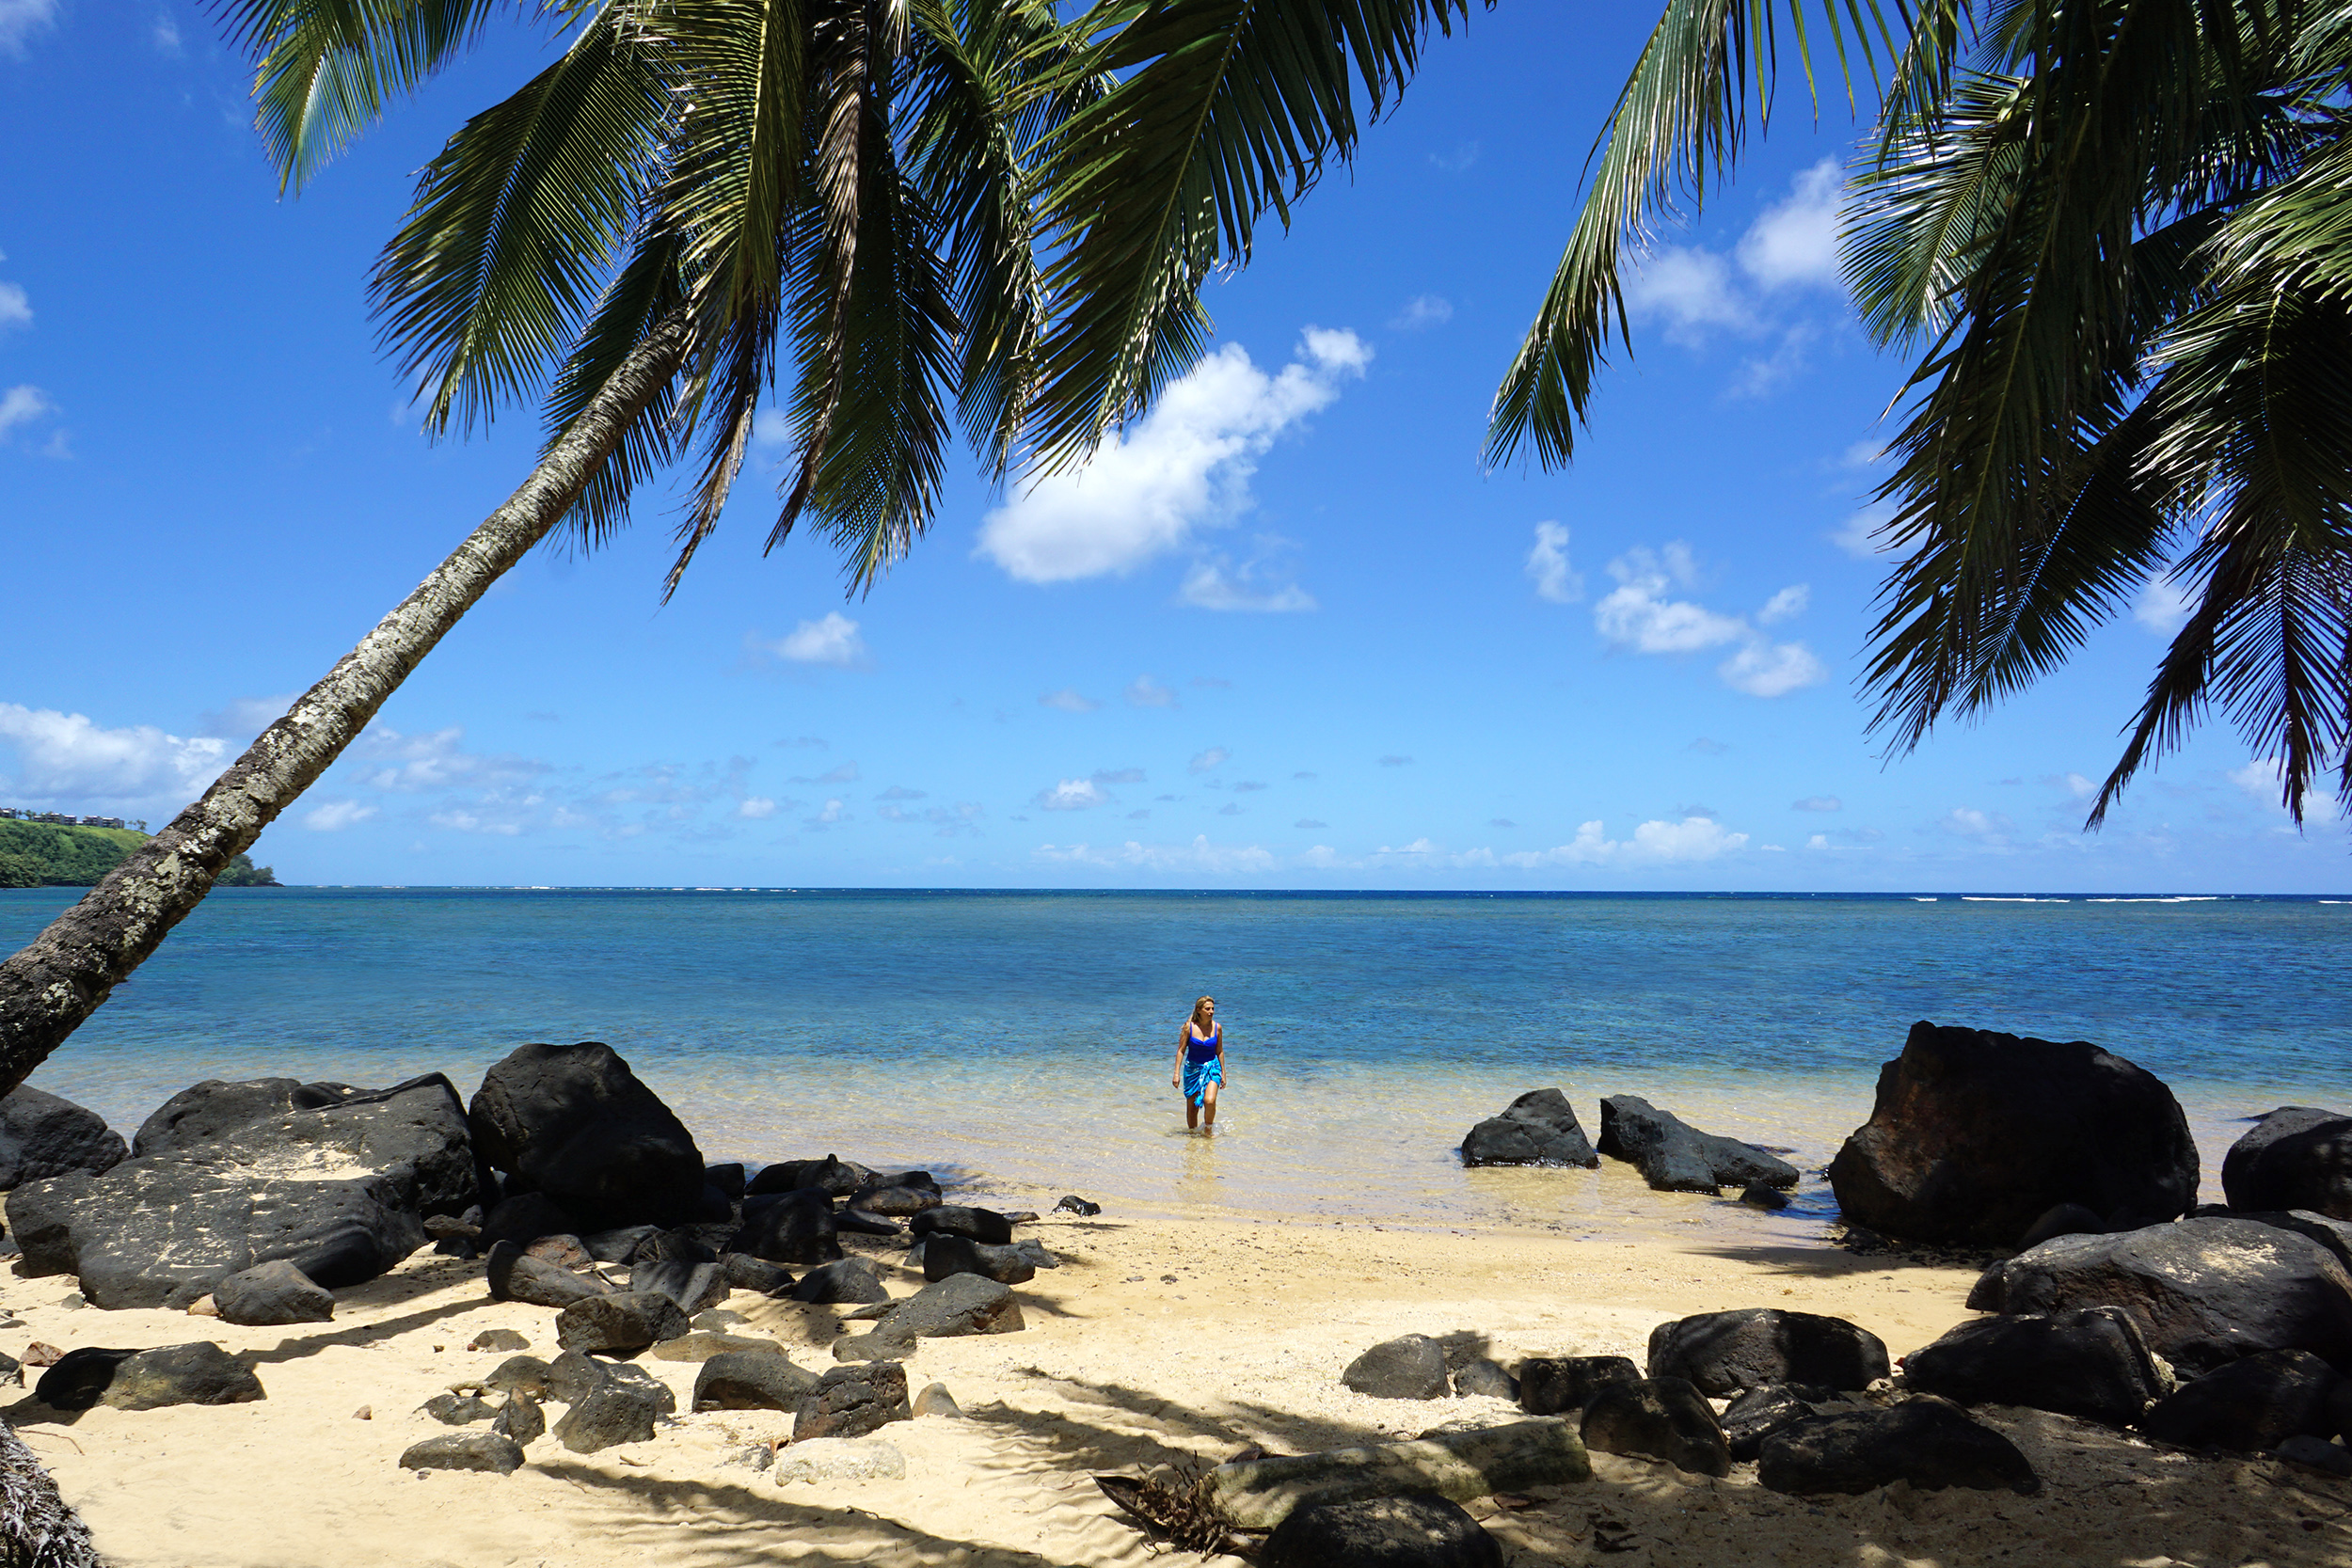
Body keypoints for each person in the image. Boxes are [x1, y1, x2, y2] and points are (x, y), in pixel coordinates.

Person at [1172, 995, 1229, 1132]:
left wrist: (1223, 1073)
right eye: (1207, 1009)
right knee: (1192, 1108)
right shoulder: (1189, 1027)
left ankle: (1208, 1130)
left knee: (1209, 1100)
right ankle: (1193, 1138)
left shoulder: (1217, 1027)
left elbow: (1219, 1051)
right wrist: (1176, 1073)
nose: (1211, 1012)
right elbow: (1181, 1050)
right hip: (1192, 1069)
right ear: (1198, 1010)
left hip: (1212, 1068)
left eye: (1213, 1009)